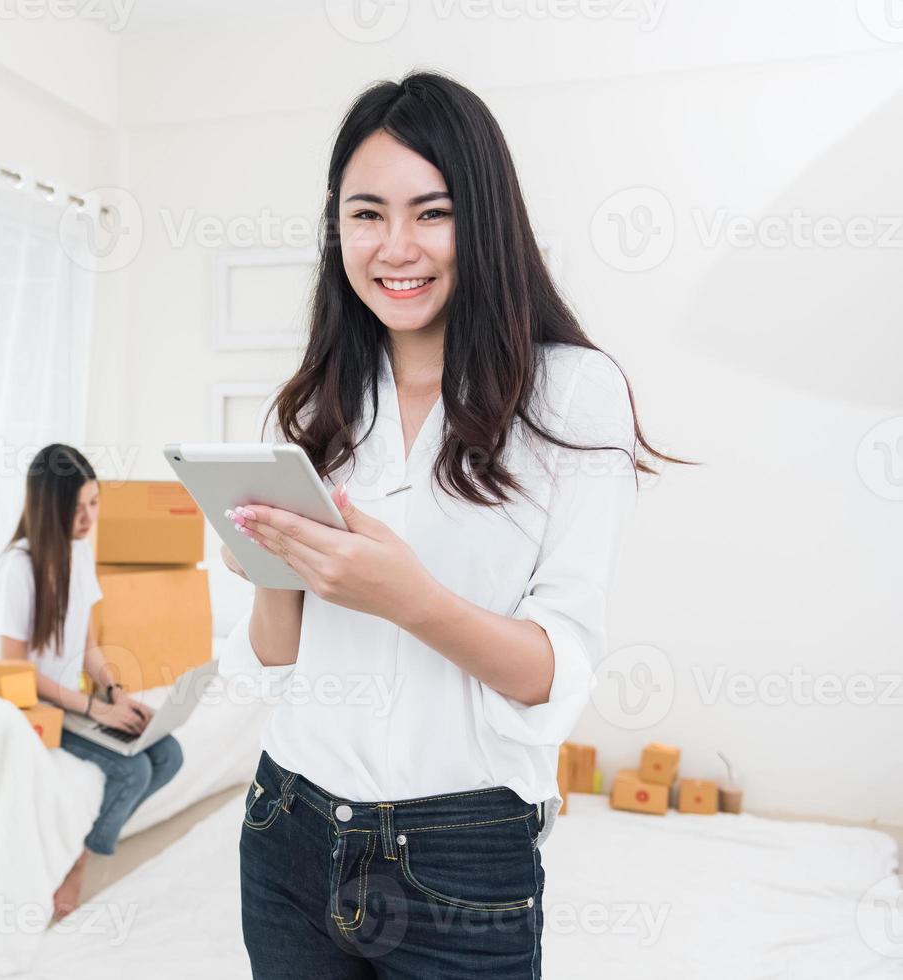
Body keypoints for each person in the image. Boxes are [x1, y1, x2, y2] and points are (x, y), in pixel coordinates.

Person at [224, 71, 691, 978]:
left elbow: (556, 671)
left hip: (461, 850)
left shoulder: (571, 395)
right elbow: (276, 664)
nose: (396, 246)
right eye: (367, 215)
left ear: (484, 216)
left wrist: (411, 600)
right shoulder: (312, 408)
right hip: (287, 822)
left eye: (430, 212)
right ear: (336, 224)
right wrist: (271, 566)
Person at [0, 443, 184, 921]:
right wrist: (94, 710)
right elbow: (16, 672)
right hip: (22, 705)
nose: (89, 517)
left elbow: (89, 645)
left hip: (66, 701)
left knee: (168, 753)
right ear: (49, 506)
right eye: (77, 508)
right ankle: (79, 862)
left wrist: (115, 694)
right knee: (131, 770)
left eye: (94, 503)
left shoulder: (77, 554)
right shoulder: (18, 568)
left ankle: (87, 845)